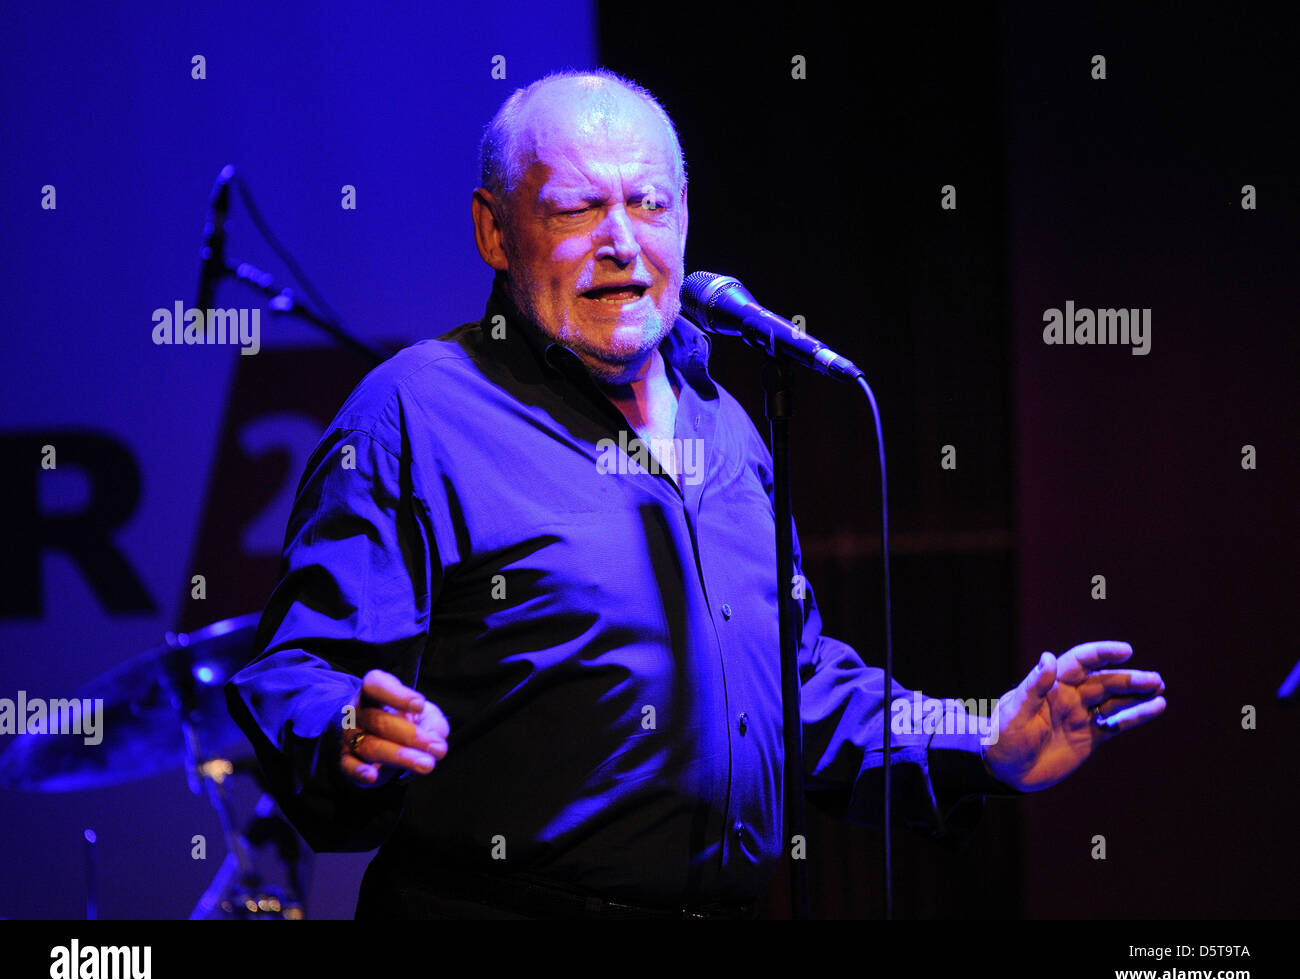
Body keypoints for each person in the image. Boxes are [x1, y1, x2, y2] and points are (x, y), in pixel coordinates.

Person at [226, 69, 1167, 919]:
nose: (621, 242)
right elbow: (295, 671)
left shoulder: (727, 429)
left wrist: (979, 738)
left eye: (650, 203)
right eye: (575, 209)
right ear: (494, 232)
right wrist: (346, 725)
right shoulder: (417, 414)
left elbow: (801, 690)